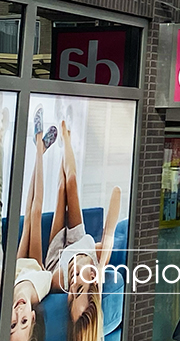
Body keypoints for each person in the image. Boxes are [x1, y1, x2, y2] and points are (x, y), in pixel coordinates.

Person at [45, 120, 122, 341]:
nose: (73, 281)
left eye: (70, 295)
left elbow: (38, 276)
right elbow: (116, 194)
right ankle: (65, 138)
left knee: (61, 190)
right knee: (72, 182)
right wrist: (101, 259)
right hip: (80, 242)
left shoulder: (61, 278)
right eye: (79, 287)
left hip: (57, 254)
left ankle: (58, 149)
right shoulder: (97, 264)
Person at [11, 113, 56, 341]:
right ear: (33, 317)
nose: (19, 312)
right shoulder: (39, 293)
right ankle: (39, 146)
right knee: (36, 212)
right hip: (35, 267)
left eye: (12, 323)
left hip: (18, 268)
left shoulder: (6, 298)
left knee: (28, 215)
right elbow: (46, 274)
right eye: (24, 321)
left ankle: (40, 147)